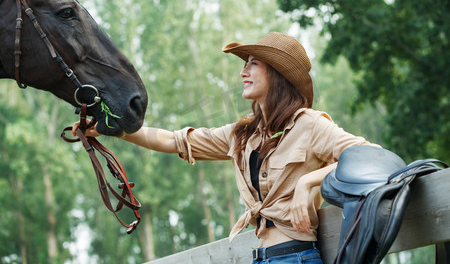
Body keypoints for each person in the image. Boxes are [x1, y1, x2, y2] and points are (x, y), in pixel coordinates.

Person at [73, 32, 380, 263]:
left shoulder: (310, 124)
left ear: (277, 73)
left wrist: (308, 182)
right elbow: (173, 140)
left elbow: (367, 156)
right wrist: (111, 128)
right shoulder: (241, 134)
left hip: (297, 257)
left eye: (253, 64)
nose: (243, 72)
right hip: (260, 257)